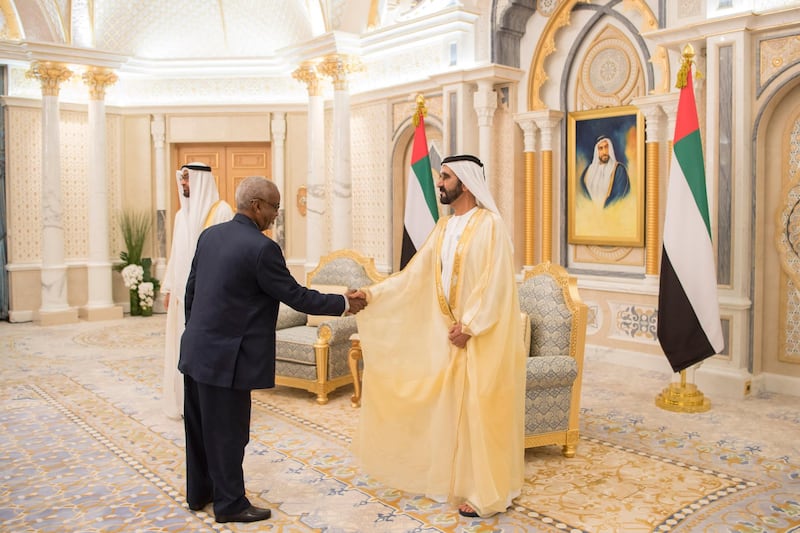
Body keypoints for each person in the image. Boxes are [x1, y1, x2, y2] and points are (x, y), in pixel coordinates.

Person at [178, 176, 366, 524]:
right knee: (230, 433)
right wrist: (344, 303)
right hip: (228, 359)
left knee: (201, 428)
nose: (276, 215)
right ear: (256, 206)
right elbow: (296, 296)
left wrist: (197, 333)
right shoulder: (262, 248)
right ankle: (230, 504)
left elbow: (191, 292)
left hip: (197, 350)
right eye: (274, 207)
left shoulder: (210, 236)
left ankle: (200, 493)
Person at [351, 155, 525, 519]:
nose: (440, 184)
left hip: (482, 336)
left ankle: (487, 492)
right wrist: (373, 294)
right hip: (452, 334)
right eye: (440, 177)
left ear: (464, 180)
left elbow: (496, 284)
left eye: (445, 177)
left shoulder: (490, 225)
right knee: (455, 409)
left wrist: (472, 325)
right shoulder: (444, 228)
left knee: (482, 411)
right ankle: (459, 479)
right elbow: (414, 275)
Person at [161, 163, 234, 420]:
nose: (184, 185)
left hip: (210, 300)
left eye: (187, 180)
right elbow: (175, 254)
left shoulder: (221, 211)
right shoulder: (181, 215)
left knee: (205, 353)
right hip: (182, 297)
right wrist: (169, 287)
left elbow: (228, 256)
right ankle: (183, 403)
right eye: (182, 181)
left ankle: (210, 405)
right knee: (182, 351)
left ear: (201, 180)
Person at [578, 135, 631, 208]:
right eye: (600, 148)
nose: (604, 152)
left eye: (606, 147)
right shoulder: (587, 173)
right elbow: (582, 195)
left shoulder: (619, 170)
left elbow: (620, 196)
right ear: (597, 151)